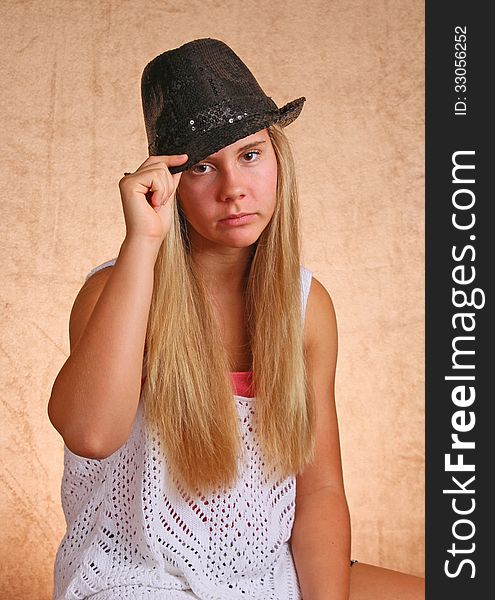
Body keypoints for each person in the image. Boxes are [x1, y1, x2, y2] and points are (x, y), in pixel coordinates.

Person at [48, 38, 424, 600]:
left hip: (263, 577)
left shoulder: (305, 307)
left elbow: (319, 490)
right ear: (169, 184)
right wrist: (142, 241)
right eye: (202, 167)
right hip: (138, 581)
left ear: (277, 158)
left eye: (249, 155)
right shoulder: (118, 288)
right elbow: (92, 434)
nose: (233, 190)